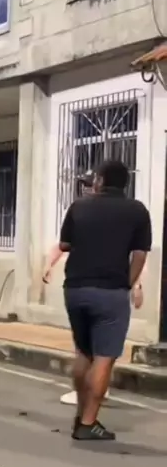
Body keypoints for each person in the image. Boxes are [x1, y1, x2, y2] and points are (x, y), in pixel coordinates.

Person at [55, 159, 151, 441]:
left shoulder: (79, 206)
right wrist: (127, 284)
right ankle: (88, 423)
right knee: (104, 358)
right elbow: (140, 254)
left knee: (83, 352)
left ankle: (80, 414)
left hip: (75, 289)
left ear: (99, 180)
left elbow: (64, 244)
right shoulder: (137, 211)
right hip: (111, 291)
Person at [43, 171, 111, 405]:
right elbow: (62, 245)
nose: (85, 190)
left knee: (90, 342)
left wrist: (138, 283)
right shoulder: (83, 212)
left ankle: (89, 389)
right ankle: (96, 386)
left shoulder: (98, 214)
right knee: (92, 340)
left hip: (95, 285)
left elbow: (132, 250)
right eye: (83, 186)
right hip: (92, 285)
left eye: (89, 185)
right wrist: (48, 265)